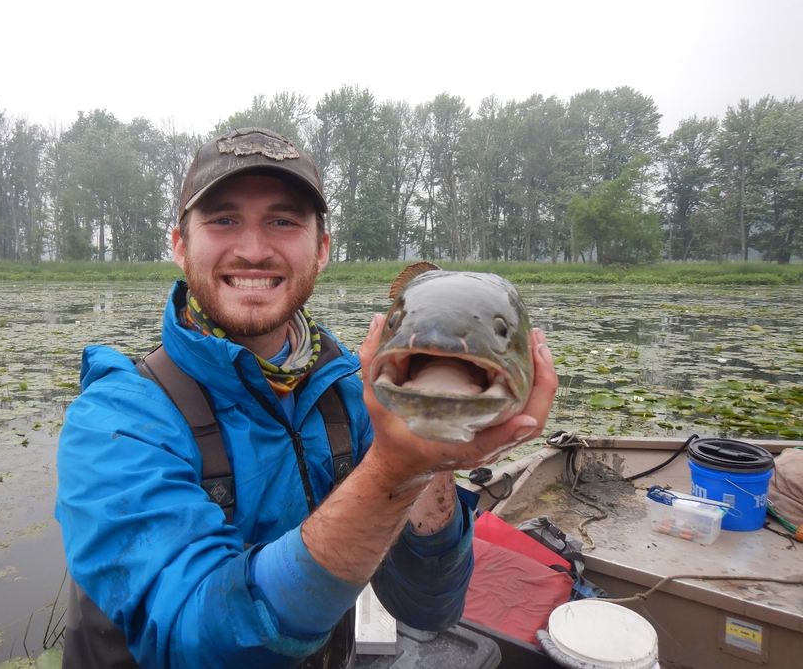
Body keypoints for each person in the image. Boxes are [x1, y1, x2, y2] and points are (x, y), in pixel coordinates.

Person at [55, 127, 558, 669]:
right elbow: (197, 642)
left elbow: (426, 607)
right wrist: (391, 470)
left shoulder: (353, 397)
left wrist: (427, 450)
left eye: (283, 220)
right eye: (223, 219)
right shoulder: (115, 420)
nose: (252, 249)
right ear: (180, 245)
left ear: (320, 250)